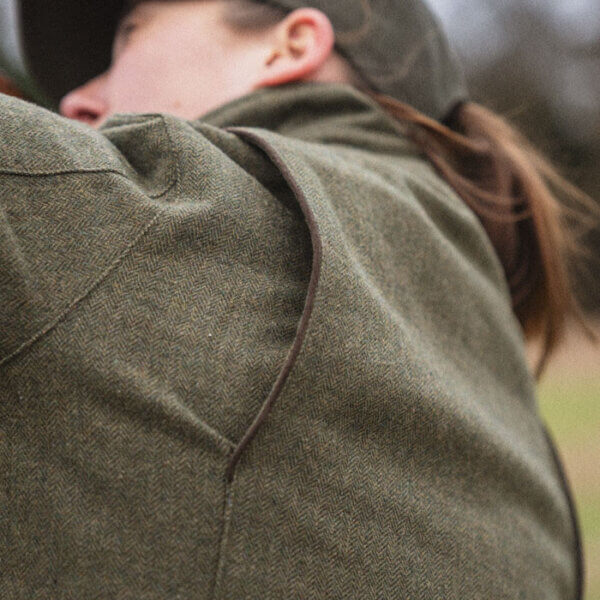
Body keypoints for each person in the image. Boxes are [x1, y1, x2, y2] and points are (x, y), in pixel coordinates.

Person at [0, 0, 593, 597]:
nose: (75, 100)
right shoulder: (518, 434)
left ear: (289, 46)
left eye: (129, 36)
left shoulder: (141, 212)